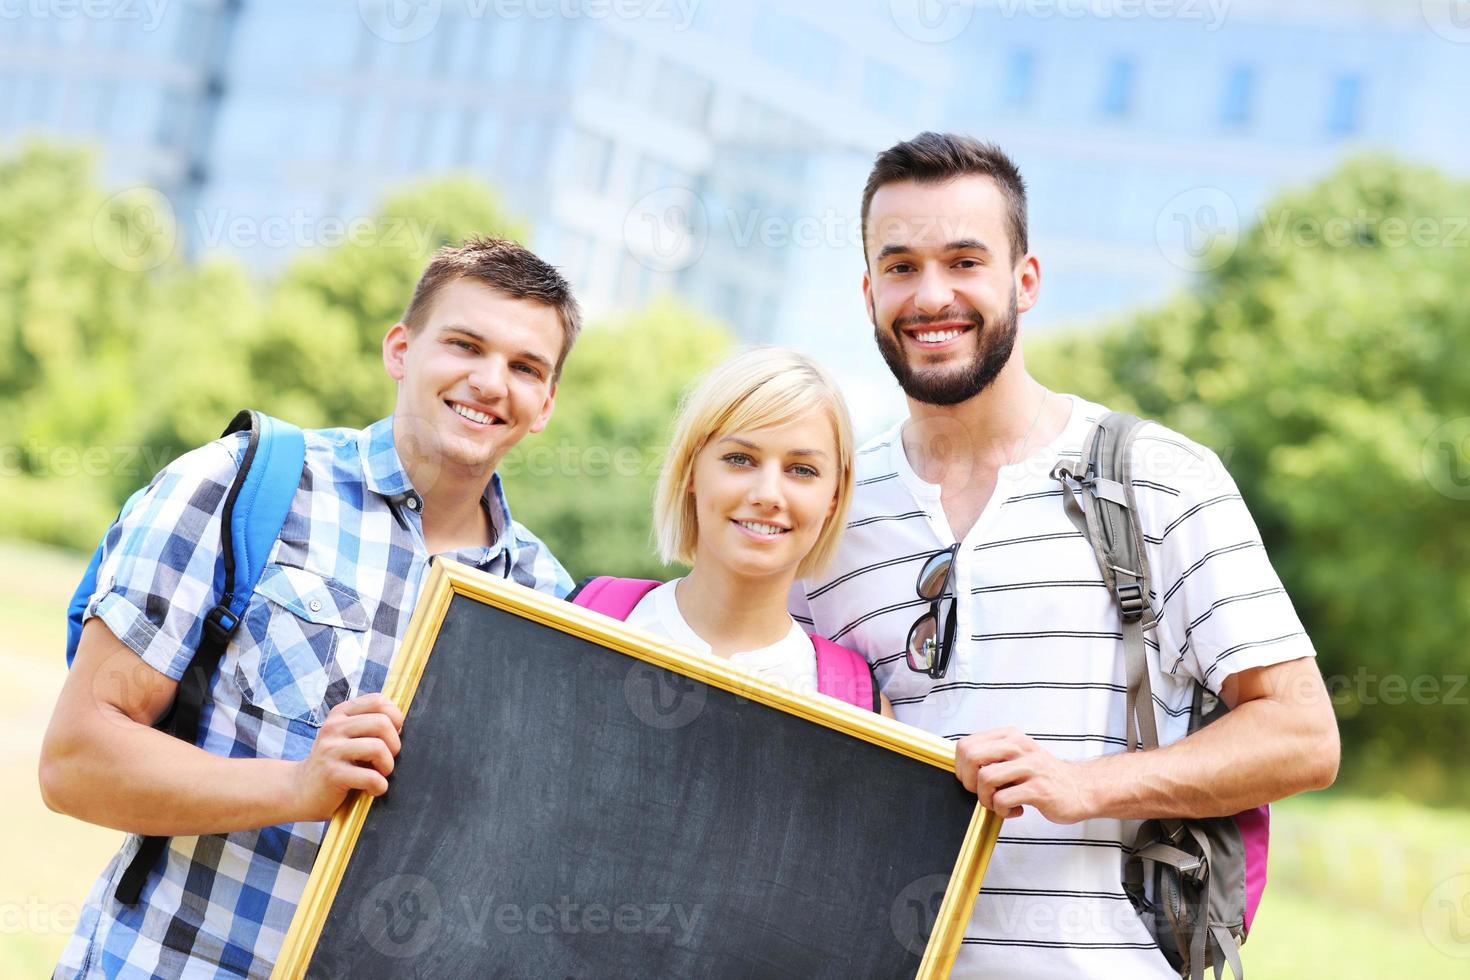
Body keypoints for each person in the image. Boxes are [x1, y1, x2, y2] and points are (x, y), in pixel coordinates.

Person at [791, 133, 1340, 977]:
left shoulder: (1159, 478)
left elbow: (1302, 735)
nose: (930, 294)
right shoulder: (826, 512)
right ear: (869, 292)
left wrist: (1086, 785)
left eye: (964, 261)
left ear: (1025, 280)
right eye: (900, 267)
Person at [40, 236, 580, 979]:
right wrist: (299, 785)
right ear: (401, 349)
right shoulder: (241, 486)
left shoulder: (549, 605)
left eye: (525, 368)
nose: (492, 382)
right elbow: (75, 763)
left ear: (546, 402)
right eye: (465, 345)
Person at [578, 347, 892, 717]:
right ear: (691, 470)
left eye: (802, 470)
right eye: (740, 459)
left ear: (834, 499)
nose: (767, 495)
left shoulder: (856, 707)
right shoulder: (582, 618)